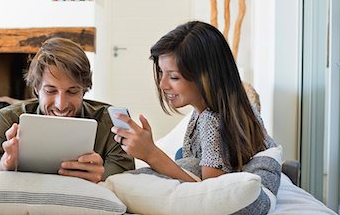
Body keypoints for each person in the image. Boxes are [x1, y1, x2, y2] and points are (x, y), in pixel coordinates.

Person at [110, 21, 277, 182]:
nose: (162, 85)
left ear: (207, 76)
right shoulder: (215, 110)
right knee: (181, 155)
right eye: (161, 73)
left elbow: (210, 193)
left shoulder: (212, 120)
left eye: (174, 77)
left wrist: (150, 154)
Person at [0, 37, 135, 183]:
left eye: (72, 91)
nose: (61, 105)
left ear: (84, 90)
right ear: (36, 89)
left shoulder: (111, 122)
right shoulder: (8, 119)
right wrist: (6, 165)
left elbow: (126, 180)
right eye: (50, 91)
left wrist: (101, 177)